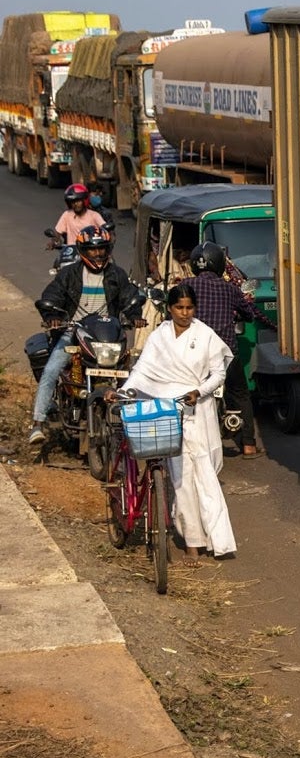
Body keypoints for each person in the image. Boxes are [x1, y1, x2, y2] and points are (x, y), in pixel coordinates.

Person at [116, 284, 236, 562]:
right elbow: (143, 370)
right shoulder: (159, 337)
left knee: (206, 475)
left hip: (199, 411)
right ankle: (192, 541)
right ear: (169, 309)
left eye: (190, 308)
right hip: (168, 412)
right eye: (179, 308)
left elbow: (218, 374)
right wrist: (124, 392)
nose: (185, 313)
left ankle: (217, 538)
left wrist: (200, 391)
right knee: (180, 478)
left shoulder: (206, 335)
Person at [30, 226, 145, 445]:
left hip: (107, 336)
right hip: (73, 333)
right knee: (52, 370)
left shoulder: (116, 274)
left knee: (133, 375)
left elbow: (130, 297)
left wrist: (135, 315)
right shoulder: (69, 274)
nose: (98, 254)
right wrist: (52, 315)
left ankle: (137, 426)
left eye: (102, 249)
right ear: (83, 250)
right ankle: (38, 423)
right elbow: (51, 296)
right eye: (93, 250)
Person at [186, 241, 274, 458]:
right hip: (225, 354)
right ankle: (249, 445)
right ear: (219, 265)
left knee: (186, 393)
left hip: (195, 353)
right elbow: (250, 313)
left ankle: (189, 444)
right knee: (240, 394)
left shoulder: (186, 286)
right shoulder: (230, 289)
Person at [50, 183, 105, 247]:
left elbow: (105, 230)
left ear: (84, 200)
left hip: (90, 251)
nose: (75, 204)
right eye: (73, 202)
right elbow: (58, 233)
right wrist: (54, 241)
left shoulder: (94, 215)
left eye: (78, 201)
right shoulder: (67, 215)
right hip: (72, 252)